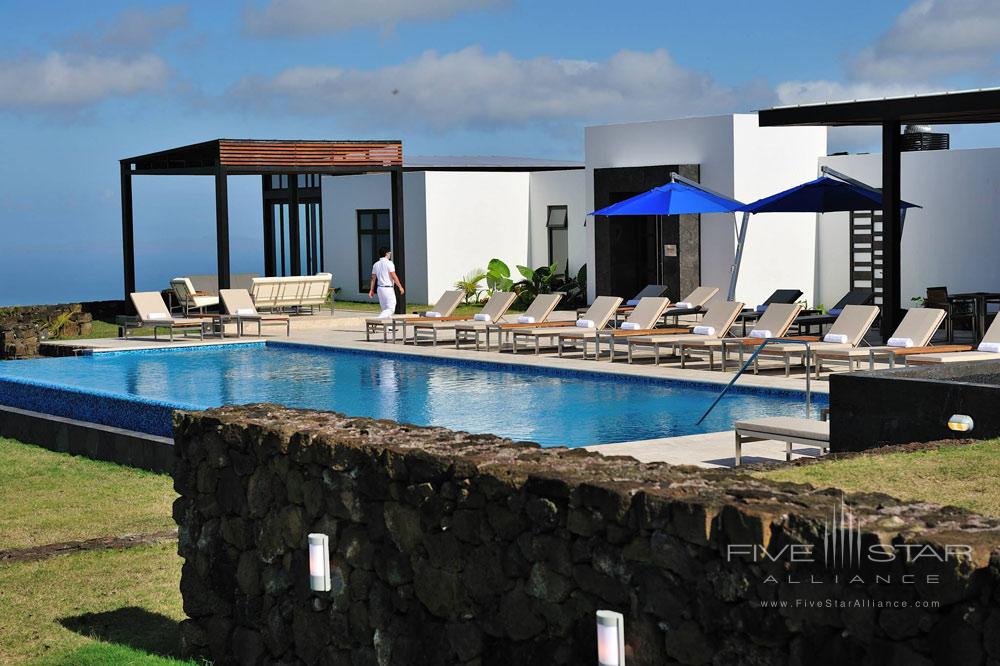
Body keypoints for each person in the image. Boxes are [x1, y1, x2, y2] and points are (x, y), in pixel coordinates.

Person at [368, 246, 404, 319]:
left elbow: (373, 278)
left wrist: (371, 290)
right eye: (389, 253)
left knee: (385, 309)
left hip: (379, 289)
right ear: (386, 254)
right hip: (388, 289)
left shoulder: (376, 264)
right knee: (391, 308)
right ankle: (377, 320)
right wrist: (400, 286)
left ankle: (389, 328)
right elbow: (394, 276)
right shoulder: (389, 263)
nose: (390, 255)